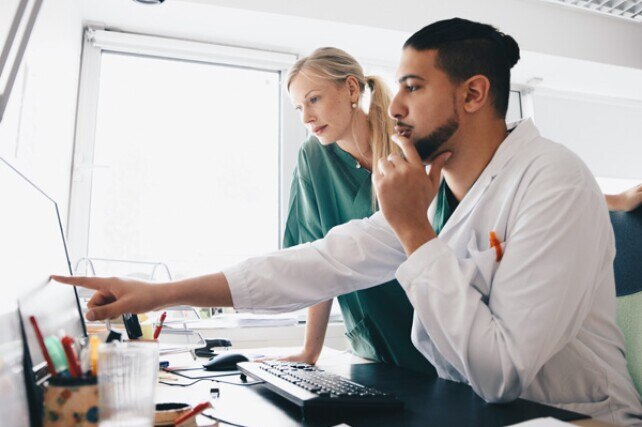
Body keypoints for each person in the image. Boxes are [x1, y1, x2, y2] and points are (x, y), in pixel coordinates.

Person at [55, 18, 642, 425]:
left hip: (576, 418)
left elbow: (501, 372)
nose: (398, 105)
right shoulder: (437, 194)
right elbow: (319, 263)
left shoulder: (552, 179)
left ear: (473, 94)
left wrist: (413, 231)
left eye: (413, 87)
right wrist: (159, 294)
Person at [279, 47, 435, 373]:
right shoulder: (313, 159)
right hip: (371, 341)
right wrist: (311, 349)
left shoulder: (409, 146)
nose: (306, 117)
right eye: (298, 107)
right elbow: (315, 259)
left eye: (314, 100)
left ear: (351, 89)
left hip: (429, 322)